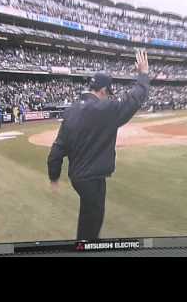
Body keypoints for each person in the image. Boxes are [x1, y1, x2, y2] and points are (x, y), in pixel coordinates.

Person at [47, 50, 150, 241]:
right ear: (103, 91)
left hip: (78, 177)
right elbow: (134, 98)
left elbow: (57, 150)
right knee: (92, 223)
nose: (108, 96)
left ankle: (84, 243)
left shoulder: (71, 111)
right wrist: (142, 75)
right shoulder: (105, 109)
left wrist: (54, 176)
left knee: (88, 217)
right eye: (107, 93)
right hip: (92, 178)